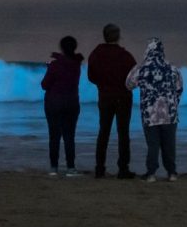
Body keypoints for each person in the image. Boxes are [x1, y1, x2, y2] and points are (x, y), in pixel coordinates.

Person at [126, 38, 184, 183]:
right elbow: (179, 88)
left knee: (153, 145)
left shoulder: (141, 68)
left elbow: (128, 84)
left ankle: (151, 174)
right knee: (169, 145)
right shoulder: (172, 68)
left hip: (150, 113)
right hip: (170, 113)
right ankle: (172, 173)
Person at [87, 23, 137, 179]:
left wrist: (103, 85)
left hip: (105, 97)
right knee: (123, 134)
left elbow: (91, 77)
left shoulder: (96, 54)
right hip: (123, 98)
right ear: (118, 36)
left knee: (104, 132)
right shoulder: (126, 56)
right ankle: (123, 169)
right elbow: (134, 79)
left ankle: (100, 169)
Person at [41, 35, 84, 176]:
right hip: (72, 103)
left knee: (54, 136)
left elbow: (45, 85)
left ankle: (54, 168)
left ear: (62, 48)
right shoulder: (77, 64)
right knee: (69, 136)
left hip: (54, 103)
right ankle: (71, 168)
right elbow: (68, 63)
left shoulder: (55, 65)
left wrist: (49, 67)